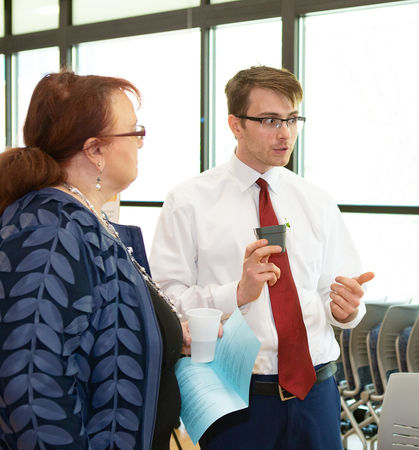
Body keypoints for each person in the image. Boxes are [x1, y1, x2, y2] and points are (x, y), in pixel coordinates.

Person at [150, 65, 374, 449]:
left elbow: (335, 292)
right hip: (235, 397)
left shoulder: (316, 201)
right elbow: (167, 300)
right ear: (235, 125)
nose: (285, 132)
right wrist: (237, 292)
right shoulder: (189, 201)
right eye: (270, 120)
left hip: (316, 392)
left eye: (292, 119)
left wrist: (347, 309)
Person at [0, 71, 184, 450]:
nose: (140, 144)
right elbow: (31, 383)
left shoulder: (80, 219)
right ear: (95, 150)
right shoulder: (51, 230)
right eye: (134, 133)